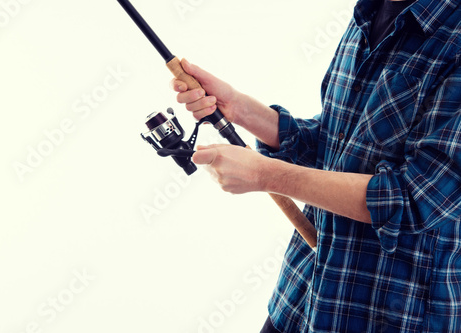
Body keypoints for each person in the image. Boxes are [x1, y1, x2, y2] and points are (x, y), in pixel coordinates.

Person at [171, 0, 461, 331]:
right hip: (299, 300)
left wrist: (265, 175)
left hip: (382, 316)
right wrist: (239, 109)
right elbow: (336, 146)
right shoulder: (369, 12)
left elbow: (414, 200)